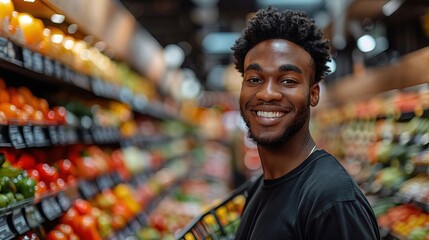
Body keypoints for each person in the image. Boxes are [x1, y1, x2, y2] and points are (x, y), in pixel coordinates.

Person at [231, 7, 380, 240]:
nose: (267, 93)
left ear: (313, 94)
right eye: (254, 79)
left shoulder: (332, 200)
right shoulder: (261, 186)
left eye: (288, 80)